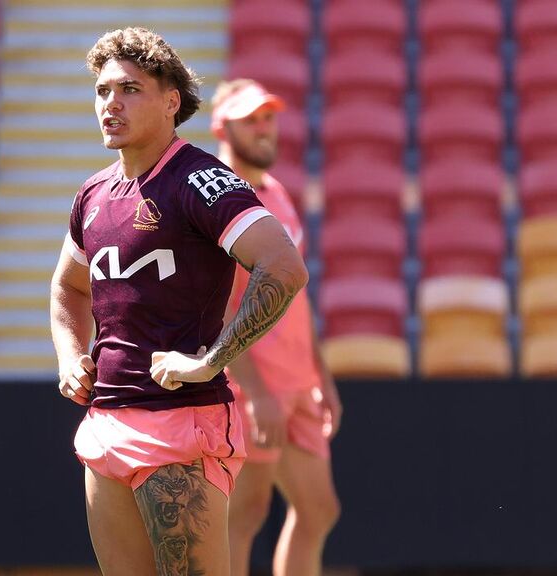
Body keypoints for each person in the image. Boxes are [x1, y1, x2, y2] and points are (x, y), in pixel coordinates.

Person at [50, 28, 309, 576]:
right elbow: (67, 287)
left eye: (129, 89)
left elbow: (284, 267)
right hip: (105, 423)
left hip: (181, 425)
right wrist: (71, 355)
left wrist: (209, 360)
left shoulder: (201, 178)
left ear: (172, 102)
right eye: (101, 91)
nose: (110, 104)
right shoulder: (93, 194)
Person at [210, 79, 342, 576]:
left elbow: (294, 295)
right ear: (222, 127)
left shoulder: (277, 191)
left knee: (319, 509)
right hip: (252, 385)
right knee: (244, 515)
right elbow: (220, 309)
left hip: (296, 381)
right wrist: (256, 391)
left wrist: (320, 373)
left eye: (268, 117)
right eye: (251, 119)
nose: (264, 128)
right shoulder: (221, 199)